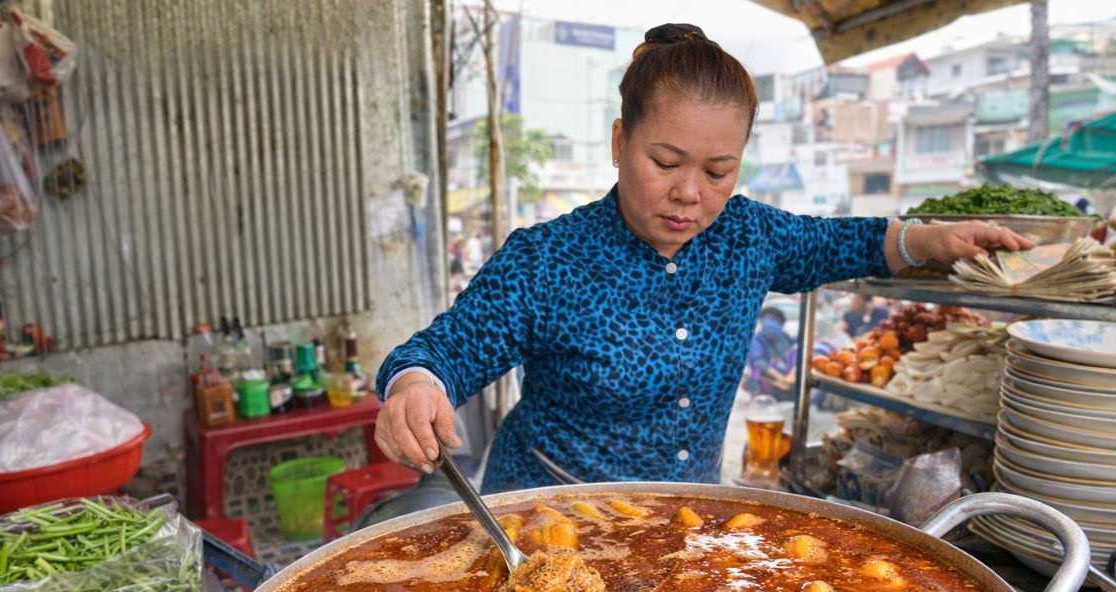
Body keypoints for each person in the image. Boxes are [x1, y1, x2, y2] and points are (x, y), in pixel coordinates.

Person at [373, 22, 1031, 492]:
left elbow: (844, 242)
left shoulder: (747, 237)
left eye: (719, 170)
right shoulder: (545, 261)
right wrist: (415, 387)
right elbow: (446, 351)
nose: (690, 193)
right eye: (665, 162)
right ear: (619, 141)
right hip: (545, 520)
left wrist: (928, 238)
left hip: (683, 524)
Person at [744, 307, 796, 402]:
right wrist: (782, 379)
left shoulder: (786, 338)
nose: (771, 322)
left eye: (774, 319)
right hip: (765, 386)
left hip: (789, 386)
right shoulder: (757, 339)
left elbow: (797, 350)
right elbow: (759, 362)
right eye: (768, 318)